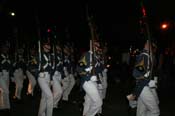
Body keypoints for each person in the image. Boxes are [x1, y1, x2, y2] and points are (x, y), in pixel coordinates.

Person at [127, 39, 160, 116]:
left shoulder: (147, 56)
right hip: (143, 87)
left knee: (141, 113)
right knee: (155, 112)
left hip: (144, 87)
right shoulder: (144, 56)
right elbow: (136, 74)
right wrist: (148, 80)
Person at [77, 40, 102, 116]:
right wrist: (88, 72)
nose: (97, 47)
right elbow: (79, 69)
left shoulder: (96, 57)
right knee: (98, 103)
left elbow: (97, 71)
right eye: (96, 45)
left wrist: (98, 81)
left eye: (98, 46)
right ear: (92, 46)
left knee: (88, 101)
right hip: (87, 81)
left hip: (93, 81)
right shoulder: (86, 54)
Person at [37, 42, 54, 116]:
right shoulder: (39, 55)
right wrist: (38, 72)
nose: (48, 47)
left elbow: (51, 68)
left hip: (48, 76)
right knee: (50, 96)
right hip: (42, 77)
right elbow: (33, 66)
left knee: (44, 97)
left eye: (49, 46)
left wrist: (51, 78)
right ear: (43, 46)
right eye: (47, 45)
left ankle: (40, 114)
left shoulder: (50, 56)